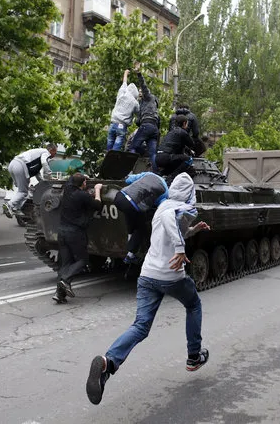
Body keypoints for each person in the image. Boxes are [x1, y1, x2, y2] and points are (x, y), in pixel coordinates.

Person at [86, 172, 210, 405]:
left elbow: (168, 227)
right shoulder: (185, 208)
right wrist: (180, 249)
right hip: (170, 276)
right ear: (189, 193)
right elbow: (171, 223)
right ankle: (194, 356)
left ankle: (107, 363)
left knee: (140, 326)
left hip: (147, 275)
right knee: (193, 304)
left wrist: (192, 232)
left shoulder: (163, 207)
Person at [53, 173, 103, 304]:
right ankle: (65, 280)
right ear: (84, 183)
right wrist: (97, 189)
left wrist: (81, 176)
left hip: (62, 232)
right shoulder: (82, 195)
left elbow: (72, 179)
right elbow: (98, 205)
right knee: (83, 260)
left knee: (65, 263)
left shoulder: (67, 189)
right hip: (75, 233)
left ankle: (59, 294)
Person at [113, 171, 168, 265]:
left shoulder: (148, 174)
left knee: (130, 216)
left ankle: (129, 237)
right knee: (141, 228)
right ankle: (130, 255)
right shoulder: (165, 191)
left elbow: (128, 180)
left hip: (119, 197)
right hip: (132, 205)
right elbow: (161, 206)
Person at [4, 143, 57, 219]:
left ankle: (16, 209)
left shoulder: (38, 154)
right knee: (23, 192)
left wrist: (43, 182)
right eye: (55, 152)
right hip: (20, 166)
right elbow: (44, 162)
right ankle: (9, 205)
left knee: (21, 190)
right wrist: (50, 175)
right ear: (51, 150)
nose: (55, 154)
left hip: (12, 165)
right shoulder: (45, 153)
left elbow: (37, 174)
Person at [128, 63, 160, 172]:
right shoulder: (152, 105)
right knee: (152, 153)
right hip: (154, 129)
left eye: (141, 92)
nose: (140, 93)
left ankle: (129, 169)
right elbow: (139, 121)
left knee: (132, 146)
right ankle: (156, 173)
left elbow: (144, 86)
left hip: (147, 126)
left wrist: (138, 73)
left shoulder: (148, 97)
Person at [155, 114, 196, 182]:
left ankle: (160, 174)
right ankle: (171, 178)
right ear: (184, 123)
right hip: (167, 157)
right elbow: (192, 144)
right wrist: (190, 150)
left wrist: (187, 149)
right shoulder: (183, 132)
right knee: (189, 159)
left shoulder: (171, 132)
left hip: (158, 157)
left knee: (174, 163)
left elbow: (175, 144)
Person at [107, 69, 140, 152]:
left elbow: (124, 83)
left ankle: (107, 159)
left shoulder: (122, 92)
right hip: (122, 126)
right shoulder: (135, 102)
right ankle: (113, 161)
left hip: (113, 124)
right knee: (116, 147)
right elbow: (139, 113)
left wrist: (125, 73)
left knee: (109, 145)